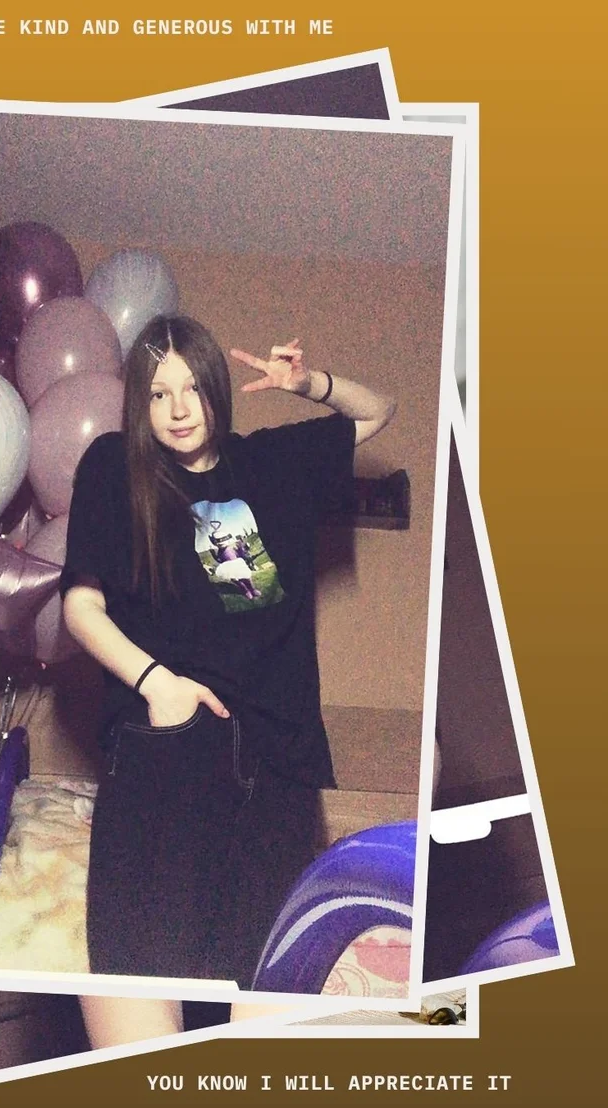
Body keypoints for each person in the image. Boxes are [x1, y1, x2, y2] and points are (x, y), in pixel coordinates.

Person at [61, 315, 395, 1043]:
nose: (178, 409)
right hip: (170, 746)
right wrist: (159, 685)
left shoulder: (269, 463)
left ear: (217, 387)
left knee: (257, 995)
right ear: (139, 404)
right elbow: (80, 607)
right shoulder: (115, 467)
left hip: (278, 760)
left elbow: (379, 411)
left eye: (192, 388)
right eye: (158, 394)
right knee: (142, 979)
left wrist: (309, 383)